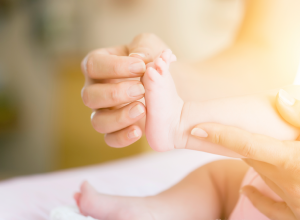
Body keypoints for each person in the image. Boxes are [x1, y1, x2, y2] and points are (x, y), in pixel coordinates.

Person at [74, 48, 300, 219]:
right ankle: (149, 210)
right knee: (218, 181)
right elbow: (263, 52)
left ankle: (180, 122)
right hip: (259, 193)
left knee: (292, 105)